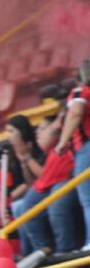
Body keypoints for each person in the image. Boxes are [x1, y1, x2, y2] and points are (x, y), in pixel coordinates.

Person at [18, 114, 82, 255]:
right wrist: (24, 160)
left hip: (70, 180)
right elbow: (37, 182)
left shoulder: (67, 142)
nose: (37, 133)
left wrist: (27, 157)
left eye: (42, 129)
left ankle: (65, 250)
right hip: (51, 184)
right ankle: (41, 251)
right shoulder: (50, 152)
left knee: (57, 202)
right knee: (26, 205)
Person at [57, 61, 90, 252]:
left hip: (87, 148)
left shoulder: (80, 92)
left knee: (88, 199)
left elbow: (76, 113)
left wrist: (62, 142)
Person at [5, 113, 47, 254]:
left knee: (18, 206)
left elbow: (39, 179)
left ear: (21, 132)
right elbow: (29, 181)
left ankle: (32, 249)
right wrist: (23, 163)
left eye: (12, 131)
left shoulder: (36, 148)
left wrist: (27, 157)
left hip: (41, 191)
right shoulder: (11, 153)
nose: (8, 136)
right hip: (29, 192)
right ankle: (26, 250)